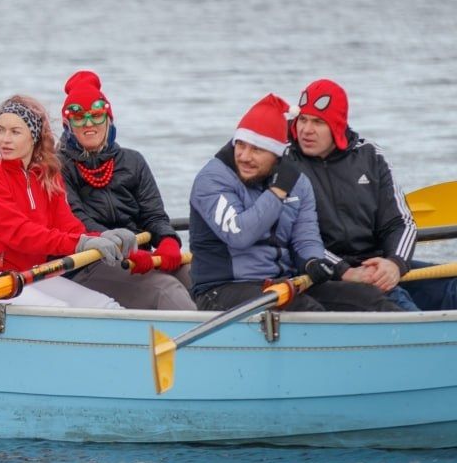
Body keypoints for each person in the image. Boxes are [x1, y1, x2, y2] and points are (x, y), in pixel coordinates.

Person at [188, 94, 399, 312]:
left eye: (257, 149)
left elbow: (306, 239)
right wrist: (276, 193)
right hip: (221, 289)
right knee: (307, 311)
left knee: (368, 298)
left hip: (284, 283)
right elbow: (239, 235)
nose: (244, 156)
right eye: (240, 145)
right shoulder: (212, 179)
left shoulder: (298, 182)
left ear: (277, 154)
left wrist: (313, 262)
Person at [286, 78, 456, 311]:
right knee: (400, 305)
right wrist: (346, 271)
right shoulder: (284, 164)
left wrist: (395, 264)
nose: (306, 130)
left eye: (318, 122)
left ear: (337, 126)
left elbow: (400, 222)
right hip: (324, 275)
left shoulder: (371, 156)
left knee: (451, 289)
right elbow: (297, 239)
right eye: (302, 120)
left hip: (377, 264)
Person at [0, 94, 127, 309]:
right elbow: (19, 233)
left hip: (26, 273)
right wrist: (81, 243)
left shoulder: (46, 174)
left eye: (15, 132)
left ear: (34, 137)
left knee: (104, 306)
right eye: (0, 129)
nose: (4, 139)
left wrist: (102, 238)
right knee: (59, 312)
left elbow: (67, 226)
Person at [57, 70, 197, 311]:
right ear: (68, 125)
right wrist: (124, 251)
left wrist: (167, 241)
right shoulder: (57, 168)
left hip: (139, 258)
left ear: (108, 119)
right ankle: (200, 348)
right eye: (80, 118)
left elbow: (154, 216)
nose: (89, 124)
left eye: (96, 116)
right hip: (89, 262)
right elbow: (78, 221)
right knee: (166, 289)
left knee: (197, 278)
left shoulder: (134, 161)